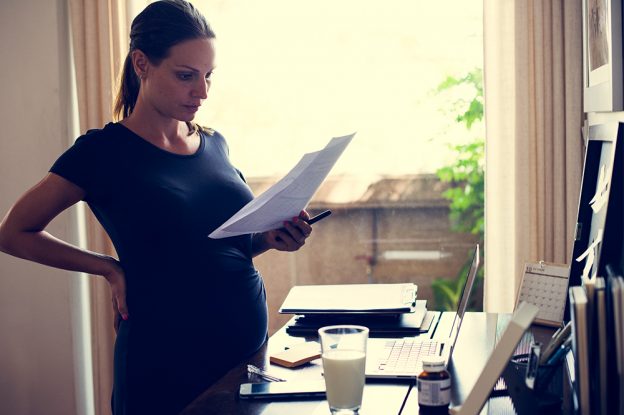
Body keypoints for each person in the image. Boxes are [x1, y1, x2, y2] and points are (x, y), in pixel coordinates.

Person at [0, 1, 312, 414]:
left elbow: (220, 246)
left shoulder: (215, 143)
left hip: (247, 351)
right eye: (186, 76)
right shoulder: (102, 152)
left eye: (208, 77)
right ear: (142, 64)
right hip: (165, 361)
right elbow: (12, 232)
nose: (201, 92)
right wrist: (107, 267)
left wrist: (270, 238)